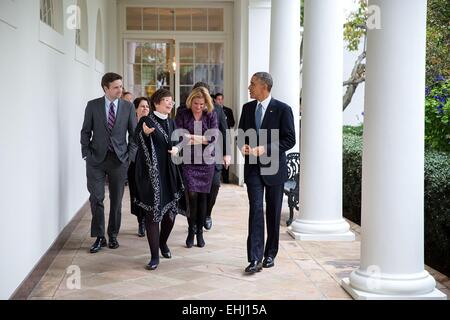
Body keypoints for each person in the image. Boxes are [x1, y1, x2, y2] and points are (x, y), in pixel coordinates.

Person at [238, 72, 296, 273]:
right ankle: (254, 258)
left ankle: (270, 254)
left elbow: (290, 140)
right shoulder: (247, 108)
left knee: (272, 212)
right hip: (253, 168)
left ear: (264, 87)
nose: (249, 87)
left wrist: (266, 149)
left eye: (252, 84)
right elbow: (241, 135)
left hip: (274, 169)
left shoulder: (283, 109)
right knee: (255, 210)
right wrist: (243, 147)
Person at [80, 72, 137, 254]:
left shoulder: (128, 107)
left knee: (116, 201)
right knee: (96, 198)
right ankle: (99, 237)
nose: (120, 90)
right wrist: (86, 153)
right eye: (116, 87)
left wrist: (130, 157)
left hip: (119, 160)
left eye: (121, 86)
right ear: (106, 88)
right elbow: (85, 131)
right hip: (96, 160)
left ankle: (112, 234)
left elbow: (134, 135)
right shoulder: (93, 106)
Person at [134, 89, 186, 270]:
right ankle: (154, 256)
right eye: (166, 100)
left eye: (171, 101)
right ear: (156, 102)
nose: (170, 104)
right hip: (152, 177)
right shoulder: (146, 121)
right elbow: (136, 138)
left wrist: (178, 149)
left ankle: (163, 243)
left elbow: (180, 141)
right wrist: (146, 134)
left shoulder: (171, 122)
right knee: (153, 216)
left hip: (170, 173)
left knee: (170, 216)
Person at [176, 83, 230, 231]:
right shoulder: (183, 110)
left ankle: (207, 215)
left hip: (213, 156)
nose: (199, 105)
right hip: (190, 158)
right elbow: (180, 135)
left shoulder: (216, 109)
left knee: (214, 187)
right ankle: (193, 224)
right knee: (192, 194)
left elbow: (224, 132)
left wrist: (227, 153)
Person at [175, 87, 219, 248]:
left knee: (202, 198)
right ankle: (191, 230)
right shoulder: (183, 114)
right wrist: (202, 139)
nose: (199, 107)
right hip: (189, 161)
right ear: (190, 101)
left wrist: (192, 137)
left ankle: (199, 232)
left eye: (201, 104)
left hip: (207, 162)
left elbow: (213, 137)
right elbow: (180, 135)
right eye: (196, 103)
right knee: (191, 197)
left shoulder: (211, 114)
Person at [127, 97, 150, 237]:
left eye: (147, 106)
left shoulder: (153, 122)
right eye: (142, 106)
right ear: (135, 109)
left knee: (149, 195)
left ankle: (149, 221)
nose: (145, 108)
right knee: (136, 194)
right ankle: (140, 221)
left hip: (150, 165)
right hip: (135, 164)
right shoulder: (131, 123)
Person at [214, 93, 234, 184]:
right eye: (218, 99)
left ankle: (225, 179)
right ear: (215, 100)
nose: (220, 100)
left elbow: (232, 123)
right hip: (215, 138)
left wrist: (225, 120)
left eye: (221, 99)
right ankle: (217, 177)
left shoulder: (228, 110)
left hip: (225, 136)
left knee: (226, 156)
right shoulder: (212, 109)